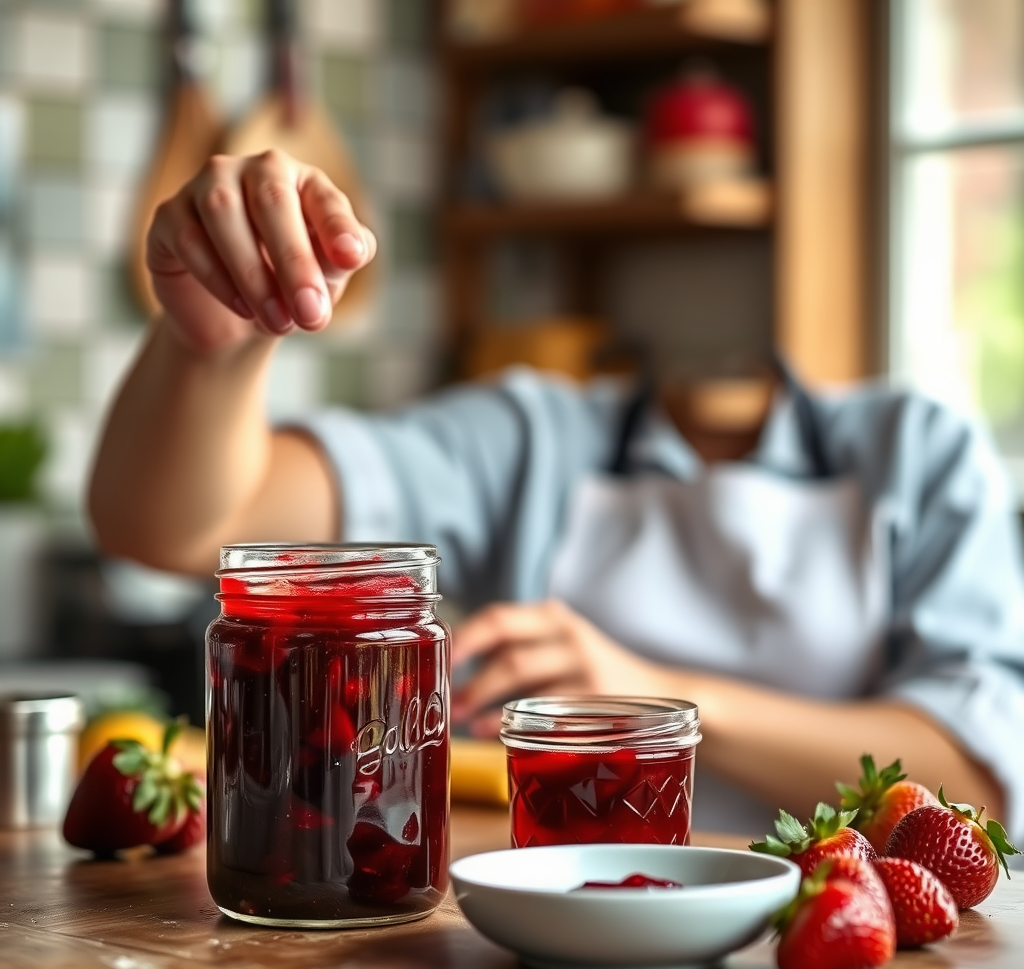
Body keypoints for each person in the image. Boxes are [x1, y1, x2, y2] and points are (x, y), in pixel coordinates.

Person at [88, 150, 1024, 840]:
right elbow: (179, 529)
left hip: (833, 942)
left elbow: (976, 781)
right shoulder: (530, 438)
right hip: (555, 926)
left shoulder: (918, 451)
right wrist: (211, 349)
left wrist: (649, 697)